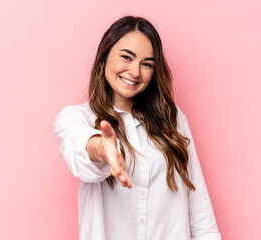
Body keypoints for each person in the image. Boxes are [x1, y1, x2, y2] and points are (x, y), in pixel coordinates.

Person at [54, 15, 221, 240]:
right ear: (104, 57)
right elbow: (79, 149)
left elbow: (198, 205)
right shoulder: (75, 118)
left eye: (147, 64)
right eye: (126, 57)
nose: (135, 72)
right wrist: (103, 148)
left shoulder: (172, 118)